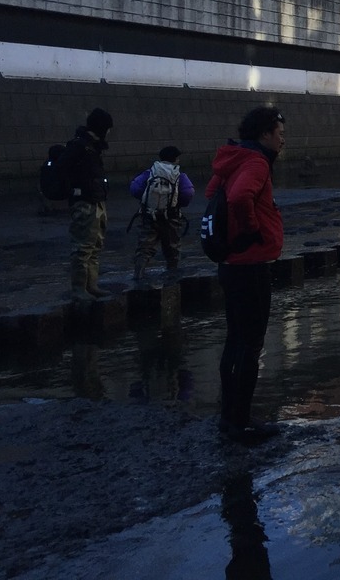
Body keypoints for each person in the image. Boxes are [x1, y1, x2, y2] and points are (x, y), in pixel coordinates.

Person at [206, 107, 286, 442]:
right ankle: (241, 422)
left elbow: (213, 193)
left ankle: (230, 417)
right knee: (250, 345)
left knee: (235, 341)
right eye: (280, 132)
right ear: (266, 132)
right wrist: (252, 230)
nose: (284, 138)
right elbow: (239, 197)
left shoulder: (234, 158)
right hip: (250, 264)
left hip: (231, 265)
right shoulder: (255, 162)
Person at [60, 107, 113, 301]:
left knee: (95, 245)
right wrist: (76, 190)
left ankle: (92, 285)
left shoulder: (92, 146)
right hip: (84, 202)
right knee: (82, 246)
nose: (109, 133)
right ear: (102, 127)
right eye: (108, 128)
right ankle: (79, 289)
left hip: (96, 200)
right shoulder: (79, 146)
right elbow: (64, 171)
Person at [129, 145, 195, 281]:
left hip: (149, 215)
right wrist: (177, 203)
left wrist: (148, 201)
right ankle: (172, 274)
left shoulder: (150, 172)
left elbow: (135, 188)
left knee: (145, 246)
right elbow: (188, 193)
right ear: (176, 159)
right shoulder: (179, 175)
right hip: (171, 217)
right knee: (172, 247)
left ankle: (138, 273)